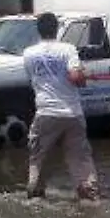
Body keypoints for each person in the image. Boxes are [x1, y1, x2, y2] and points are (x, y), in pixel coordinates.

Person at [22, 12, 99, 200]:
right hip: (73, 113)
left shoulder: (28, 53)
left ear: (38, 31)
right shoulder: (68, 49)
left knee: (38, 156)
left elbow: (36, 79)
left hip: (46, 113)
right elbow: (75, 78)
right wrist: (85, 75)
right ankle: (88, 194)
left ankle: (36, 194)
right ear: (56, 29)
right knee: (80, 159)